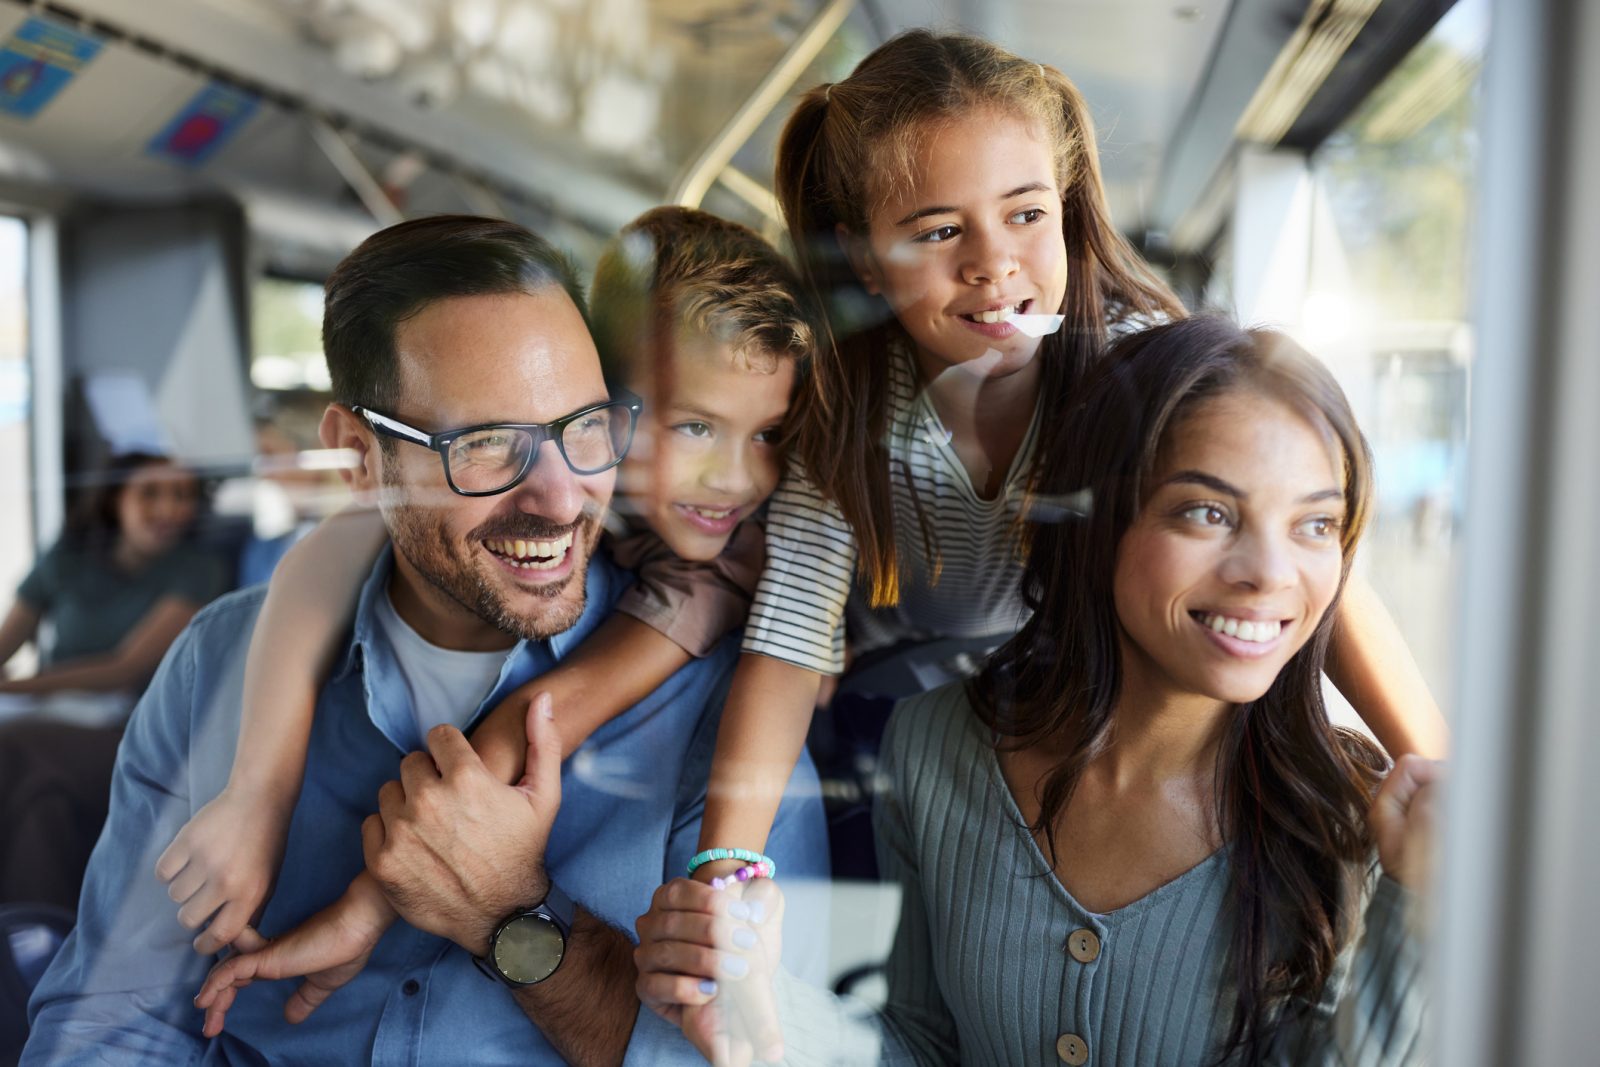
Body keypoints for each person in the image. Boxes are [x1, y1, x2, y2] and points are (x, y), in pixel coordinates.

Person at [22, 214, 826, 1065]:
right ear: (360, 459)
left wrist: (513, 915)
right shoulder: (218, 668)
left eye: (585, 425)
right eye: (484, 444)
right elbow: (117, 1022)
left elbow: (757, 1051)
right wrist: (261, 786)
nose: (559, 497)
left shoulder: (718, 705)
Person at [679, 29, 1448, 893]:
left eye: (1026, 213)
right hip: (903, 719)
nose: (993, 262)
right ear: (862, 254)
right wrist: (724, 870)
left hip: (1079, 708)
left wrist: (1441, 774)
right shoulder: (847, 405)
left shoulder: (1143, 373)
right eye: (938, 231)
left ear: (1069, 205)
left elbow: (1320, 578)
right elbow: (787, 651)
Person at [636, 317, 1438, 1066]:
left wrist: (1418, 909)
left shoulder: (1344, 815)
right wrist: (759, 1003)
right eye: (1206, 511)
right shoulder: (930, 742)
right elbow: (919, 1041)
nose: (1268, 572)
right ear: (1096, 516)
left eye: (1315, 525)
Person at [0, 452, 227, 912]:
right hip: (53, 722)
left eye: (182, 495)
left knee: (10, 744)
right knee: (43, 806)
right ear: (113, 500)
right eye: (150, 493)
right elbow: (7, 641)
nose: (169, 509)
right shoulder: (67, 558)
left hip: (134, 732)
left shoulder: (198, 569)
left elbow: (121, 669)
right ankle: (34, 936)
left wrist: (13, 689)